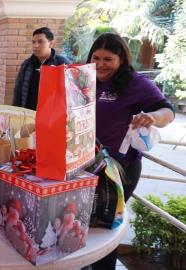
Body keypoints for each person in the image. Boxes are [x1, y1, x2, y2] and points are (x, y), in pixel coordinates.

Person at [86, 33, 174, 270]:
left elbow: (167, 111)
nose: (101, 64)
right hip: (87, 166)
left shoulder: (136, 84)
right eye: (96, 57)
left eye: (108, 59)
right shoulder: (86, 79)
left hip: (119, 169)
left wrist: (151, 117)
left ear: (122, 59)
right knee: (84, 222)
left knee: (105, 227)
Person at [13, 27, 71, 110]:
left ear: (51, 43)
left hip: (51, 115)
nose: (35, 45)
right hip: (28, 113)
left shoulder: (62, 63)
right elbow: (18, 92)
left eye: (40, 42)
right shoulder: (27, 64)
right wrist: (16, 111)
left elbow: (70, 93)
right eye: (33, 42)